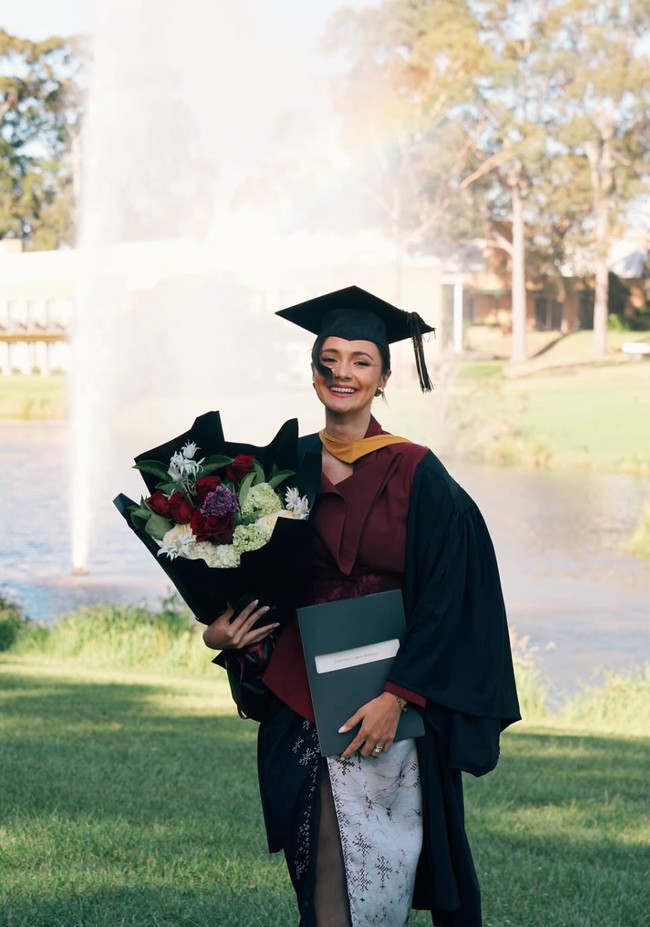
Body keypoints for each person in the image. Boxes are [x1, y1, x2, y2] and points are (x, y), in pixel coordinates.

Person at [203, 285, 520, 927]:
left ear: (383, 378)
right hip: (305, 690)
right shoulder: (282, 470)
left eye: (360, 361)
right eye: (330, 357)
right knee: (319, 852)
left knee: (387, 866)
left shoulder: (415, 471)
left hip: (392, 695)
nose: (341, 372)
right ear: (313, 368)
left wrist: (399, 695)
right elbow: (259, 578)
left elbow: (448, 594)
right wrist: (223, 632)